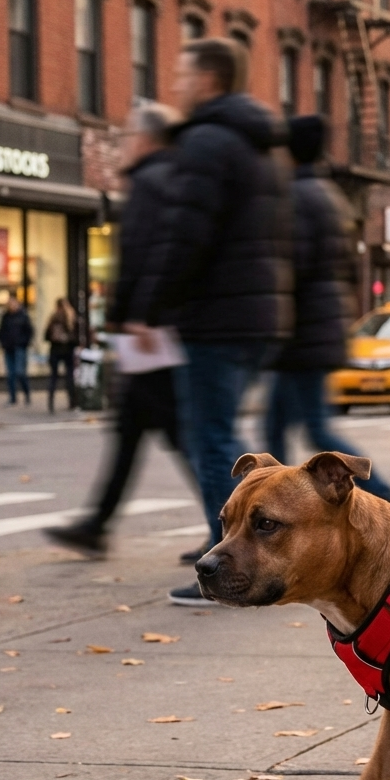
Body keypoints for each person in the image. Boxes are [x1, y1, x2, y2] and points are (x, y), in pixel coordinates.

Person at [136, 38, 293, 606]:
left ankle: (226, 564)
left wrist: (151, 307)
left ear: (208, 79)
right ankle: (241, 540)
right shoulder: (263, 145)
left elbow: (185, 234)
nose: (176, 85)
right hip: (255, 315)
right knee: (219, 437)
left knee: (211, 442)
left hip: (215, 315)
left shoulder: (206, 140)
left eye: (182, 74)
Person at [44, 104, 188, 557]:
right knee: (136, 429)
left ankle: (230, 517)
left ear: (145, 140)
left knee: (174, 434)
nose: (124, 145)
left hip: (146, 332)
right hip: (153, 329)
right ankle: (97, 524)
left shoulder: (150, 182)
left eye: (128, 137)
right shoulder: (174, 180)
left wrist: (132, 316)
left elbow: (144, 255)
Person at [264, 115, 390, 510]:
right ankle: (273, 506)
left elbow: (295, 269)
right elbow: (347, 270)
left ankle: (384, 496)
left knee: (309, 429)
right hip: (318, 332)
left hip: (302, 335)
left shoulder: (298, 198)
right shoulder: (330, 197)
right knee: (280, 427)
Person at [0, 297, 33, 405]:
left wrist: (24, 342)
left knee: (20, 372)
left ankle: (26, 393)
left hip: (19, 348)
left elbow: (29, 331)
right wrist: (3, 342)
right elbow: (0, 332)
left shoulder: (23, 316)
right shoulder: (6, 317)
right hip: (9, 348)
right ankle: (12, 397)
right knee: (10, 374)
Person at [44, 297, 78, 412]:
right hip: (68, 350)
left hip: (55, 350)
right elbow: (75, 335)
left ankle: (51, 402)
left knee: (53, 376)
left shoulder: (53, 317)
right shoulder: (70, 317)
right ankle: (72, 401)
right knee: (69, 376)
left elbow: (46, 335)